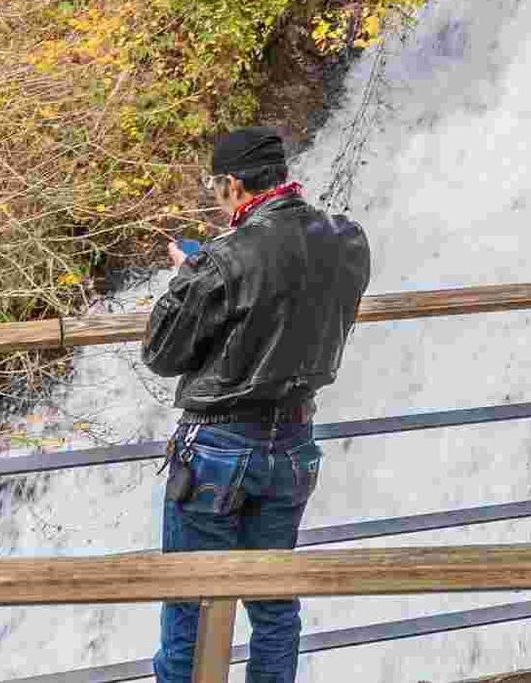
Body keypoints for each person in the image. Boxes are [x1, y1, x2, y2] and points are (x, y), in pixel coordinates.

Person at [139, 128, 372, 683]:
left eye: (216, 186)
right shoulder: (347, 238)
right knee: (273, 610)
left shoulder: (222, 261)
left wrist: (189, 275)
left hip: (218, 448)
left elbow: (161, 352)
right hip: (294, 444)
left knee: (190, 610)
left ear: (234, 186)